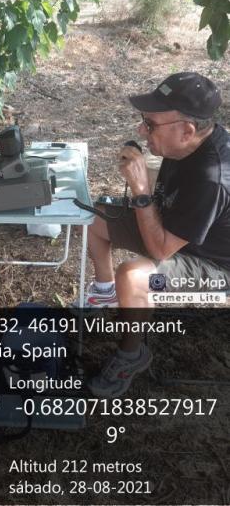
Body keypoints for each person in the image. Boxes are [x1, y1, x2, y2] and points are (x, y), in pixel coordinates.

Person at [85, 72, 230, 398]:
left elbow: (160, 250)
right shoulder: (189, 144)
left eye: (150, 125)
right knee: (92, 218)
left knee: (134, 277)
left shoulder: (212, 178)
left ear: (187, 130)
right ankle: (106, 294)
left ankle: (131, 356)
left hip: (215, 267)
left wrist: (139, 190)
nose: (141, 131)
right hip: (177, 229)